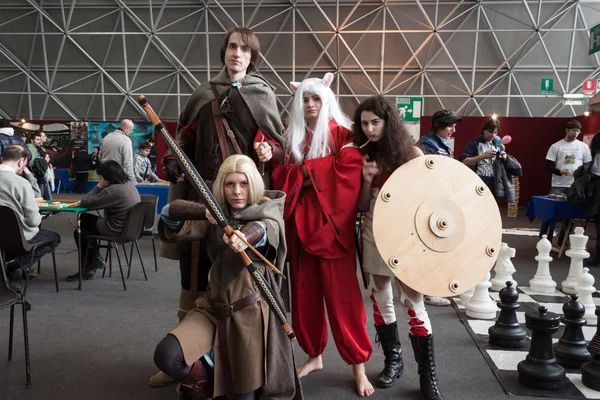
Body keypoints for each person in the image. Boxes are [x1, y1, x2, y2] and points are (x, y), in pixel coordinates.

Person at [152, 26, 285, 389]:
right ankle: (187, 361)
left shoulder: (261, 94)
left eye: (243, 49)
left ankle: (244, 360)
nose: (236, 53)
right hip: (205, 199)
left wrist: (269, 151)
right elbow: (186, 138)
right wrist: (175, 159)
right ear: (223, 52)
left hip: (243, 200)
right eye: (231, 47)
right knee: (192, 276)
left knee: (240, 280)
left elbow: (277, 143)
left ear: (252, 56)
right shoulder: (204, 94)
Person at [153, 155, 300, 400]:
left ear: (253, 183)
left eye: (243, 184)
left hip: (249, 317)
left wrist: (245, 236)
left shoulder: (268, 210)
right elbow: (170, 213)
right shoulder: (215, 214)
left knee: (244, 396)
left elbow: (265, 229)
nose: (237, 191)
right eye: (230, 184)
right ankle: (205, 387)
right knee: (167, 355)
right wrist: (204, 211)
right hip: (212, 309)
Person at [270, 73, 374, 397]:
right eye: (305, 99)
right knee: (305, 298)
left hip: (332, 230)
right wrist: (308, 171)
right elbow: (278, 175)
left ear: (326, 99)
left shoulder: (344, 135)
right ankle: (314, 355)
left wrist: (304, 172)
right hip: (299, 230)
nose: (311, 104)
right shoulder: (293, 139)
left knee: (344, 300)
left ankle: (359, 365)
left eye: (316, 98)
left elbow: (348, 174)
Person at [354, 96, 444, 400]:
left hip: (408, 235)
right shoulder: (364, 155)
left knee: (413, 299)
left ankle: (427, 375)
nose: (369, 128)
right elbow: (361, 205)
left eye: (374, 122)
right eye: (364, 123)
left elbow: (431, 201)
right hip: (373, 230)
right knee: (381, 296)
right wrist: (366, 181)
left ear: (388, 121)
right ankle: (393, 361)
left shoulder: (412, 153)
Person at [415, 110, 463, 307]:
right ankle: (426, 290)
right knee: (428, 247)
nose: (453, 130)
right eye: (449, 125)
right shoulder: (427, 145)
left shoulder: (439, 144)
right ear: (437, 125)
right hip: (428, 203)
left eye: (454, 126)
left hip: (438, 201)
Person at [65, 160, 140, 281]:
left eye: (102, 177)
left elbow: (85, 202)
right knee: (84, 231)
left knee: (83, 220)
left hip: (115, 229)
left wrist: (99, 186)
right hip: (131, 229)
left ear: (107, 177)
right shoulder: (129, 185)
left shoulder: (113, 190)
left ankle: (91, 264)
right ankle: (93, 261)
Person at [0, 145, 61, 291]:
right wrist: (40, 215)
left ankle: (13, 267)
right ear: (21, 162)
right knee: (54, 238)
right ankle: (16, 265)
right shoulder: (21, 183)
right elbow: (33, 221)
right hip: (17, 240)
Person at [541, 119, 592, 243]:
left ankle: (562, 241)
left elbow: (588, 165)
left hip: (575, 186)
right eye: (573, 131)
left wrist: (581, 174)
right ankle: (544, 240)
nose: (576, 133)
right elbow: (549, 166)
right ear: (567, 130)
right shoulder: (556, 146)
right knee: (550, 214)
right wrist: (560, 172)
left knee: (570, 215)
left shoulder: (583, 146)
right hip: (558, 184)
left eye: (578, 131)